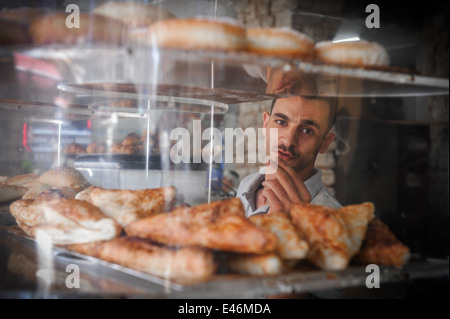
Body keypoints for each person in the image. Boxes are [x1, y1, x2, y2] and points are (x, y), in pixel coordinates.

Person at [236, 74, 342, 216]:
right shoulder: (247, 185)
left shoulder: (331, 217)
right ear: (266, 124)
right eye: (281, 122)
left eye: (307, 131)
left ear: (325, 143)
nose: (288, 141)